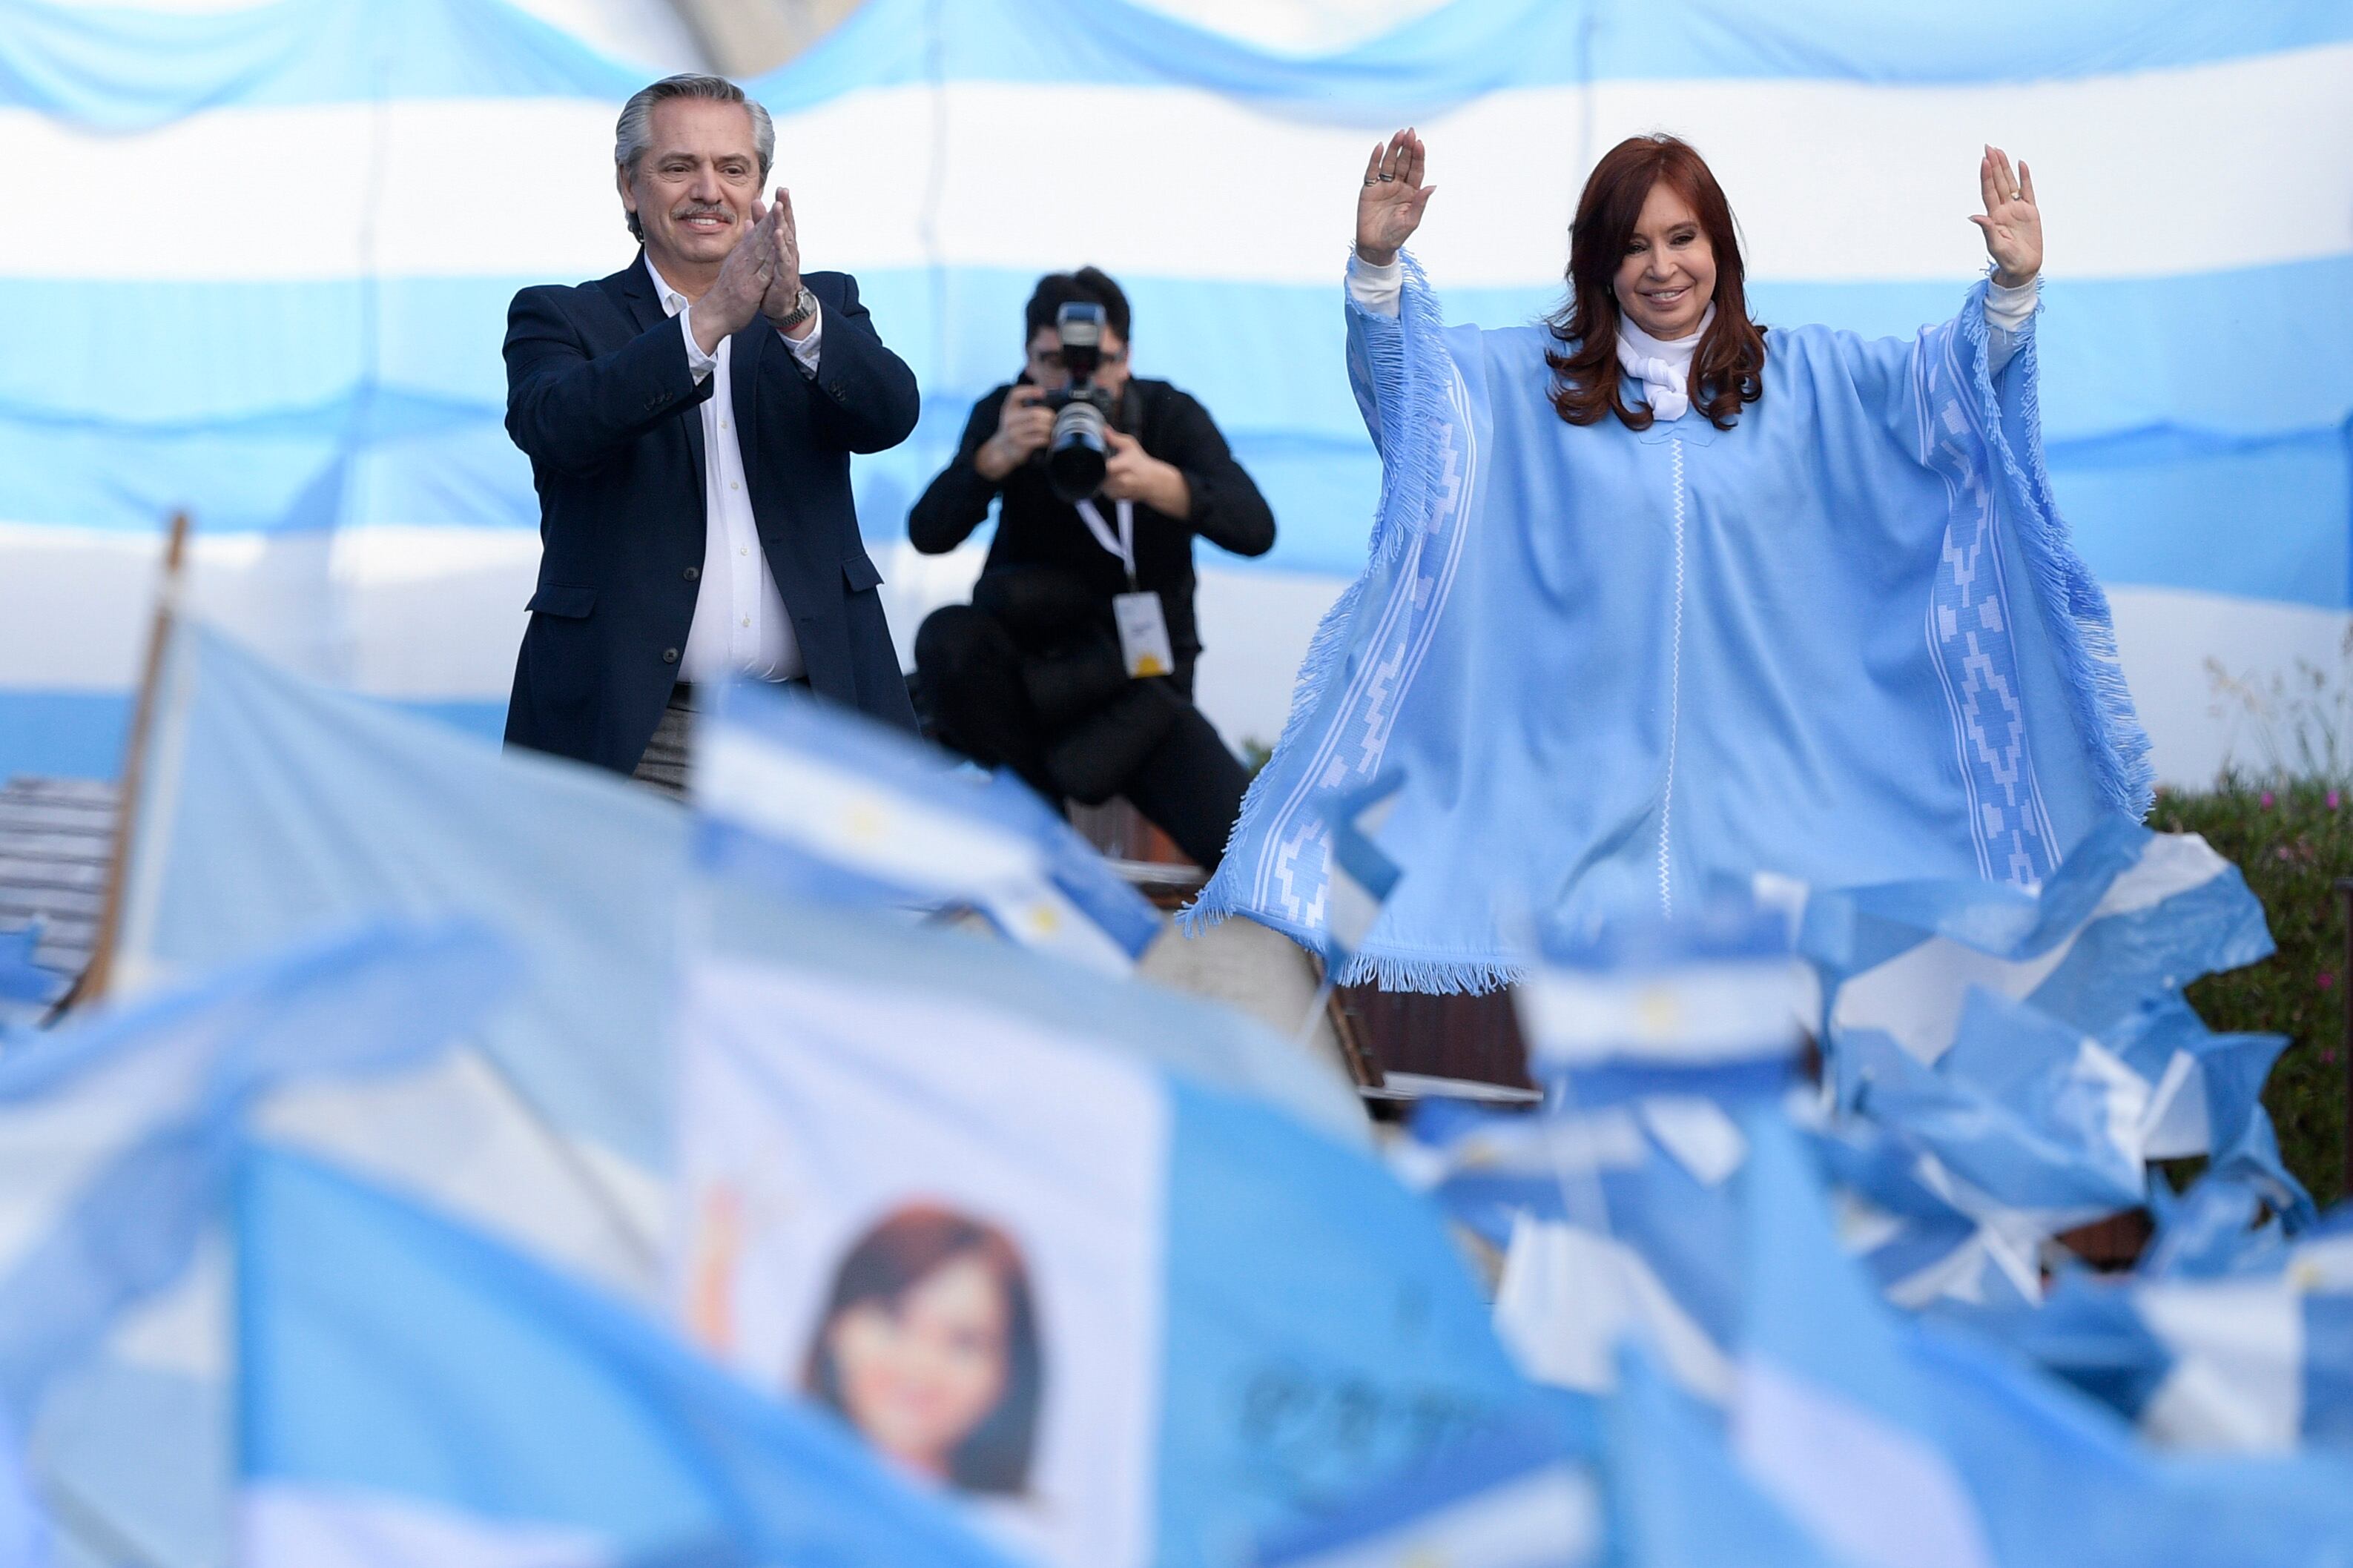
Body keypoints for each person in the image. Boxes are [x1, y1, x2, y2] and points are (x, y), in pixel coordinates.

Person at [1190, 130, 2151, 990]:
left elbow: (1942, 396)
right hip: (1574, 817)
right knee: (1589, 1112)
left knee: (1744, 1110)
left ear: (1719, 250)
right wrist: (1375, 264)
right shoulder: (1529, 384)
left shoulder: (1806, 380)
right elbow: (1415, 397)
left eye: (1682, 237)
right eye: (1633, 245)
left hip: (1766, 816)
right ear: (1598, 266)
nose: (1661, 266)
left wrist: (2012, 289)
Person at [501, 73, 920, 794]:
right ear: (629, 186)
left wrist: (793, 316)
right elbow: (557, 427)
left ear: (760, 186)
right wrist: (703, 324)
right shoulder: (560, 316)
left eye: (732, 169)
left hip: (813, 725)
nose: (708, 189)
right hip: (635, 734)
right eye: (677, 167)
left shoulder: (827, 303)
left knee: (816, 916)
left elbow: (887, 416)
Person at [908, 268, 1275, 870]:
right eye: (1053, 363)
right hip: (1023, 677)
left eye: (1095, 364)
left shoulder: (1166, 416)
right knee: (946, 639)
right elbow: (928, 533)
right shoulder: (1009, 412)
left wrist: (1164, 484)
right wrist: (992, 460)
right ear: (1027, 359)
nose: (1075, 382)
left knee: (1248, 854)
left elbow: (1256, 529)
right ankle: (1042, 841)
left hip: (1135, 684)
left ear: (1125, 358)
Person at [803, 1205, 1043, 1495]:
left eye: (963, 1341)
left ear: (1007, 1372)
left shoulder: (1006, 1531)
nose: (921, 1364)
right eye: (895, 1318)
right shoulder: (770, 1478)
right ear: (838, 1326)